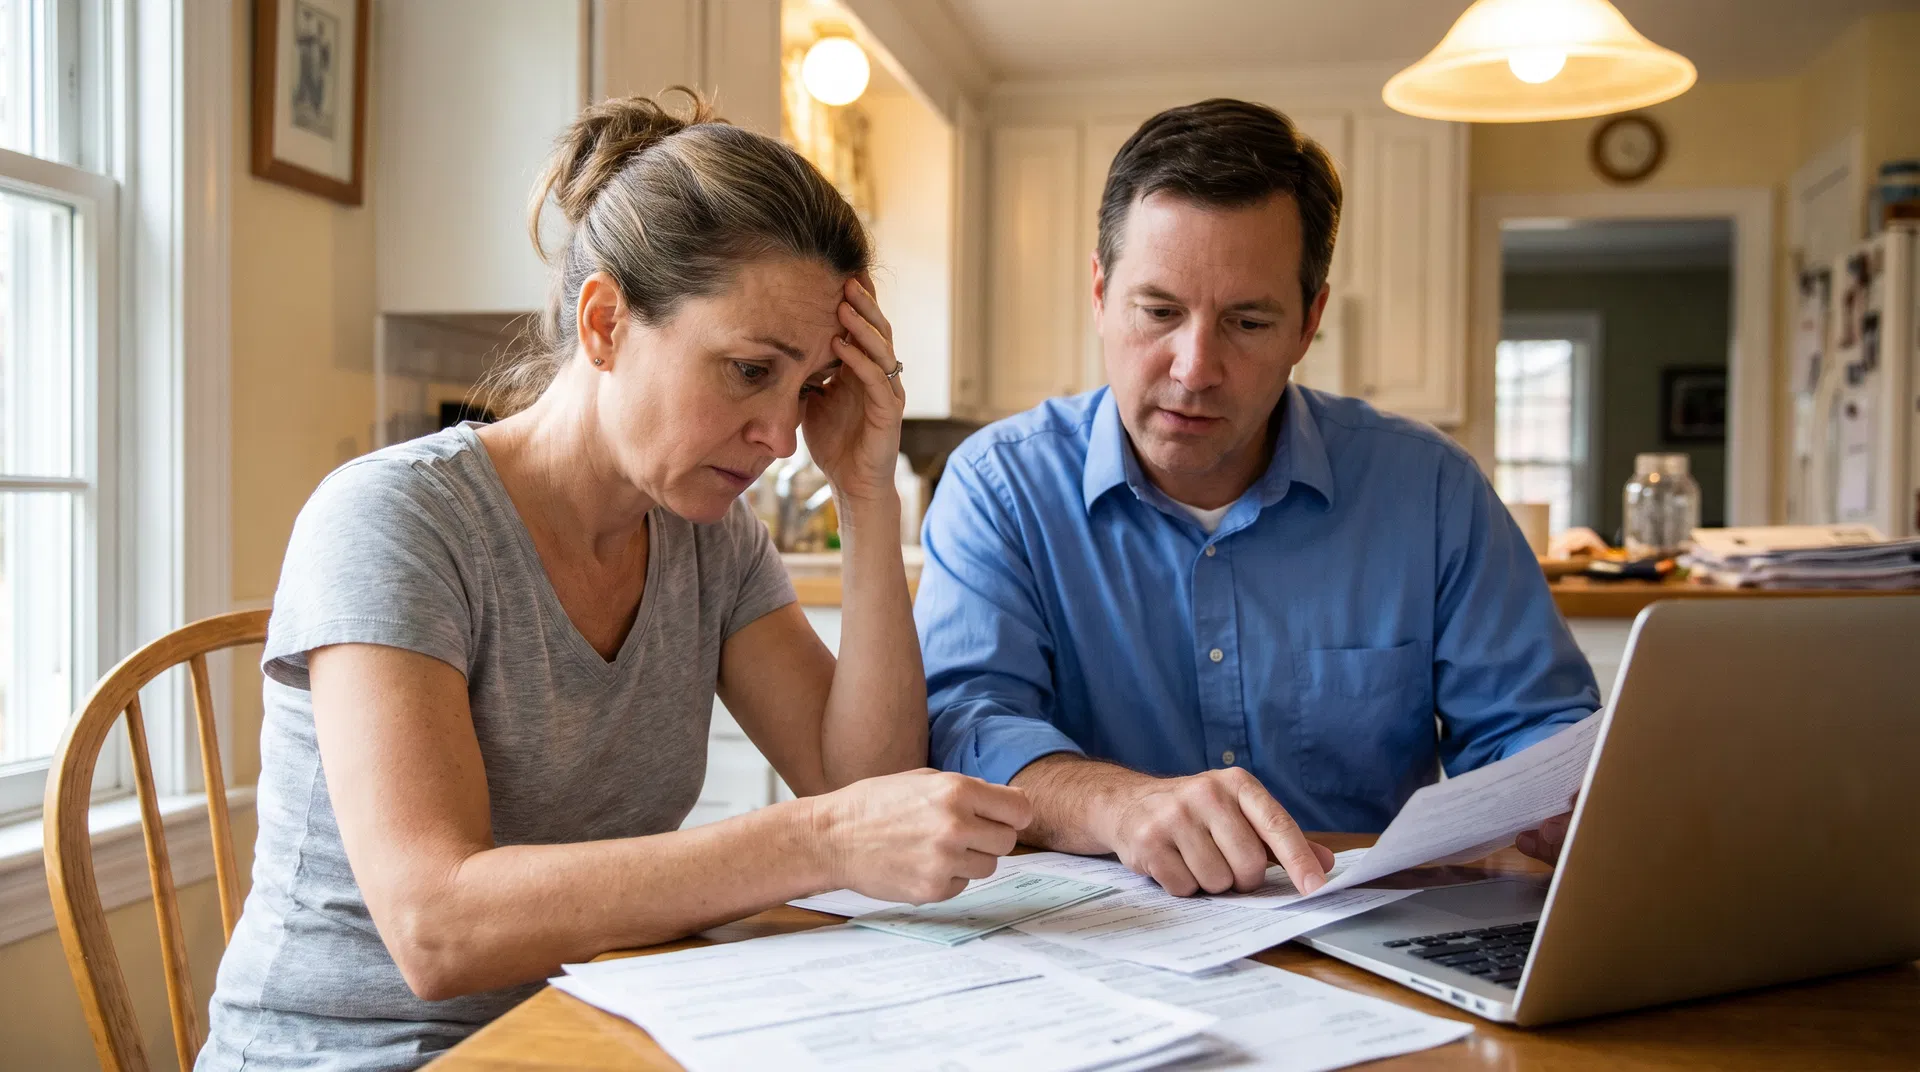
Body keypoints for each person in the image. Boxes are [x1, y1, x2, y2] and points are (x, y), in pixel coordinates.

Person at [199, 92, 1030, 1071]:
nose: (779, 434)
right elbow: (436, 926)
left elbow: (868, 792)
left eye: (805, 386)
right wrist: (819, 839)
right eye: (747, 369)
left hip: (596, 1031)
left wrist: (866, 491)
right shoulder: (395, 521)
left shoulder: (706, 538)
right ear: (604, 323)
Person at [916, 98, 1597, 902]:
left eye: (1246, 321)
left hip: (1367, 934)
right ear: (1101, 293)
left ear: (1308, 323)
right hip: (1098, 943)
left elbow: (1533, 727)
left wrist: (1568, 795)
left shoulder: (1431, 490)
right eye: (1159, 311)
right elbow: (966, 721)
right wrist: (1118, 803)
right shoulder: (1000, 487)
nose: (1195, 367)